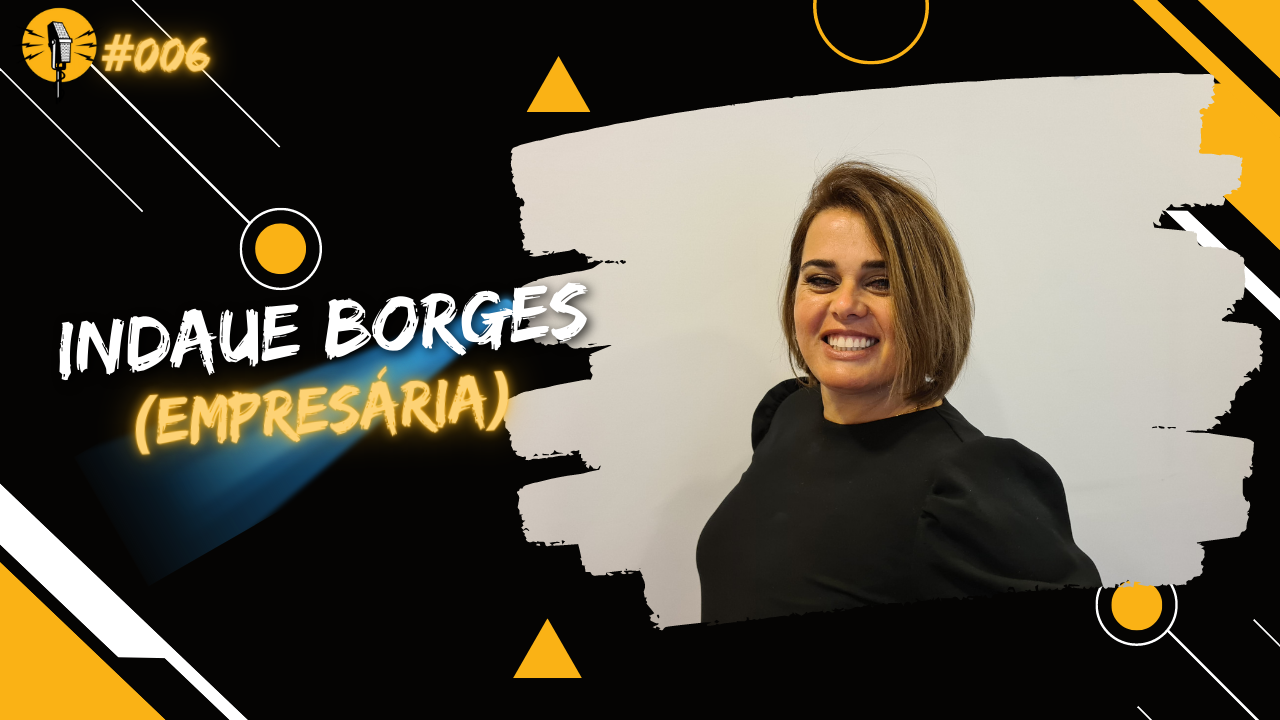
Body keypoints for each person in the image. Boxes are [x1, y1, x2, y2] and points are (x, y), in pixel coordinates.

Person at [696, 161, 1101, 624]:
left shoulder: (967, 482)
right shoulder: (788, 413)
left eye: (881, 283)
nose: (845, 305)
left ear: (928, 304)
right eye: (821, 280)